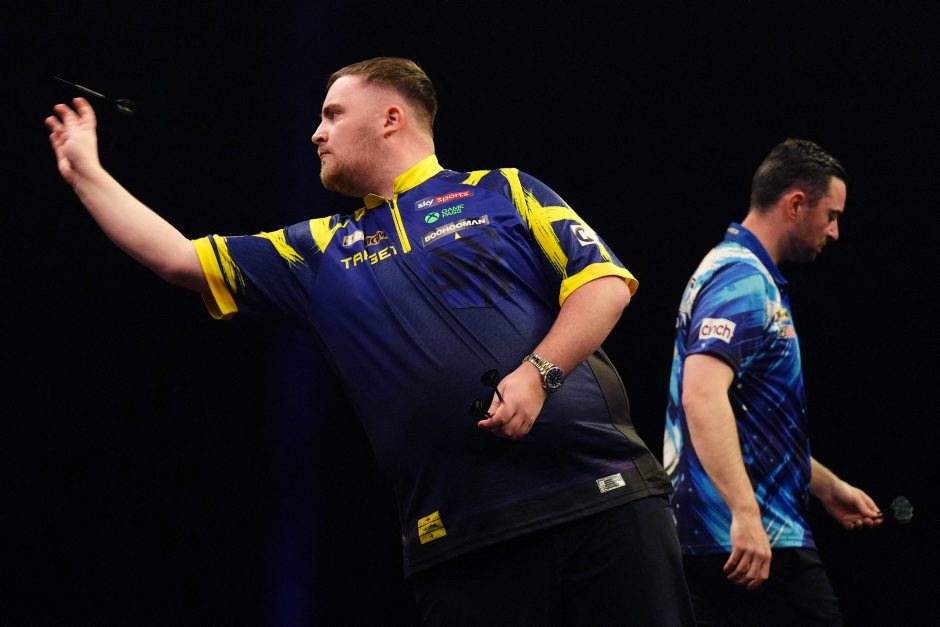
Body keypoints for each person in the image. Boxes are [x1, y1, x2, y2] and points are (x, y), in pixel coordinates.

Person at [47, 57, 694, 626]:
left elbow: (604, 284)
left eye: (332, 114)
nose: (316, 132)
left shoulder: (504, 191)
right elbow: (179, 259)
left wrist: (538, 374)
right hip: (462, 537)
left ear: (390, 118)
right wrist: (86, 174)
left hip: (603, 496)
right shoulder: (317, 249)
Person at [662, 138, 883, 626]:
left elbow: (751, 426)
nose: (835, 231)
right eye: (831, 215)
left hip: (744, 537)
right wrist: (745, 513)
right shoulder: (739, 279)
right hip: (745, 540)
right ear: (796, 204)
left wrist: (827, 486)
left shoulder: (744, 274)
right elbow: (701, 396)